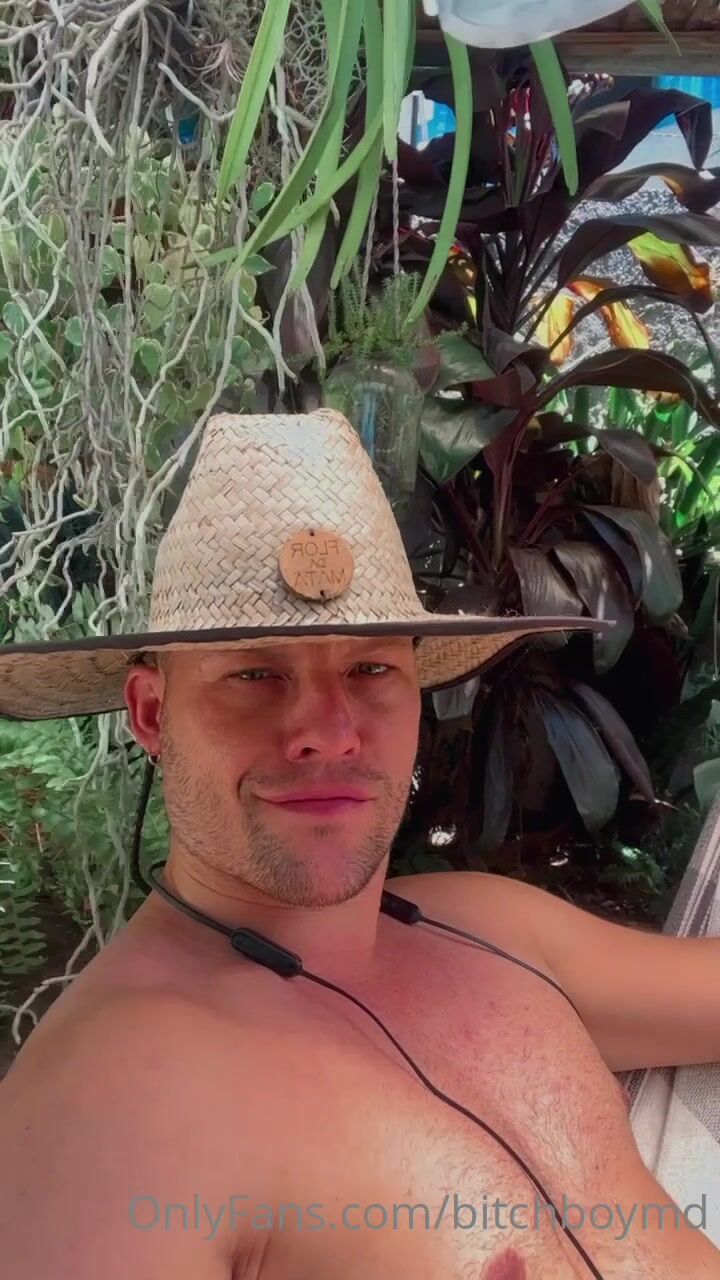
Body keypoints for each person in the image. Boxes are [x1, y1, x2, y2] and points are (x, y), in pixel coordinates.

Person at [0, 409, 718, 1280]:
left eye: (371, 668)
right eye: (256, 673)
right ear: (153, 714)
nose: (329, 733)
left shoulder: (490, 929)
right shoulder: (107, 1115)